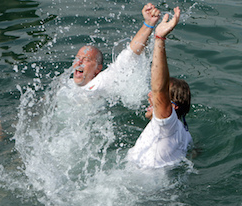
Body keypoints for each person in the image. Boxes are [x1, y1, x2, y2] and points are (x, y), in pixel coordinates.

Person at [126, 7, 193, 168]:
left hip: (138, 188)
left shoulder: (167, 124)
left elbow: (158, 88)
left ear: (172, 106)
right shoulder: (184, 134)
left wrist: (159, 39)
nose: (150, 95)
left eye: (157, 97)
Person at [72, 3, 161, 91]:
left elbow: (130, 54)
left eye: (86, 60)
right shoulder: (66, 85)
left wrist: (148, 24)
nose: (79, 62)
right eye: (77, 58)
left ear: (98, 68)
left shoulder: (101, 82)